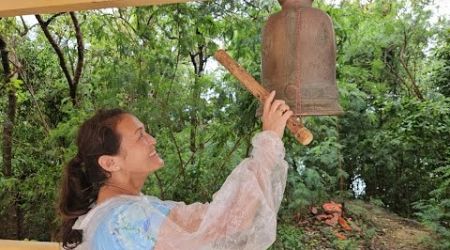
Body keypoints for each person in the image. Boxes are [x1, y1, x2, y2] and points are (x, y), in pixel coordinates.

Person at [59, 91, 293, 250]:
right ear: (110, 163)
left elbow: (217, 220)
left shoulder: (127, 210)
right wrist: (268, 144)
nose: (153, 140)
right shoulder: (124, 219)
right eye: (140, 135)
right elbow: (225, 229)